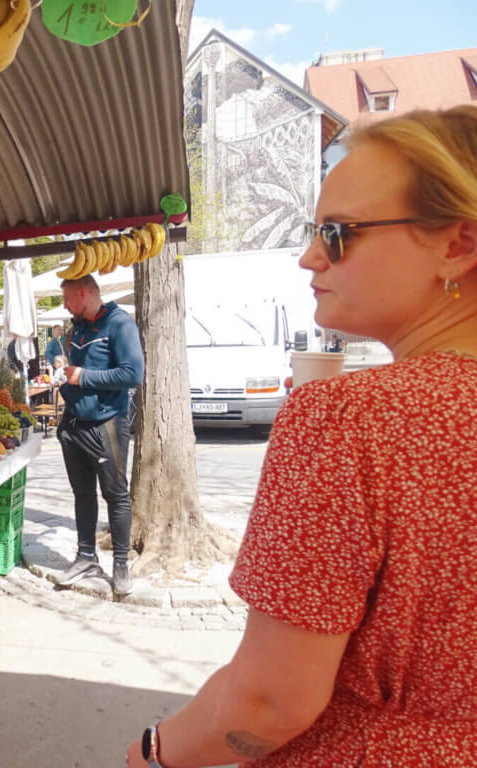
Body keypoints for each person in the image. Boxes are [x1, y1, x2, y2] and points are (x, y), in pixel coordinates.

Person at [128, 106, 477, 768]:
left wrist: (152, 751)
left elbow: (267, 703)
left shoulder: (350, 419)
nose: (309, 256)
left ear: (457, 244)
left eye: (338, 234)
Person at [55, 275, 144, 596]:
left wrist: (83, 377)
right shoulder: (78, 326)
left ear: (83, 293)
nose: (65, 305)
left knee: (116, 495)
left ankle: (121, 565)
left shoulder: (119, 324)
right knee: (82, 494)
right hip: (74, 426)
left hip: (107, 425)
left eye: (67, 299)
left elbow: (133, 373)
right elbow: (78, 372)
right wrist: (65, 381)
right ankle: (85, 557)